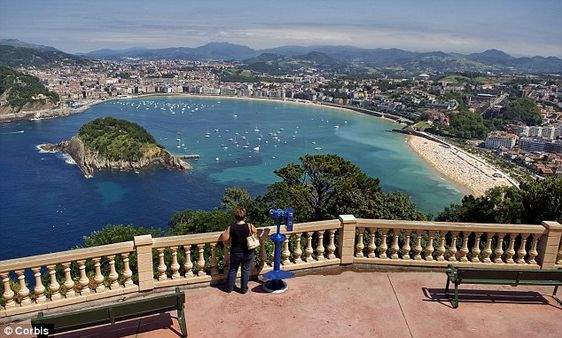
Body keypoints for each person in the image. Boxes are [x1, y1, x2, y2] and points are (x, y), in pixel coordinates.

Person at [220, 207, 257, 293]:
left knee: (233, 270)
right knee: (246, 270)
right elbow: (255, 232)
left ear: (235, 217)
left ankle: (229, 288)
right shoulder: (249, 226)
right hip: (248, 252)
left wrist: (224, 231)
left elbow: (225, 238)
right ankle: (243, 289)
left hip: (236, 252)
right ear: (245, 216)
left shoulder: (231, 227)